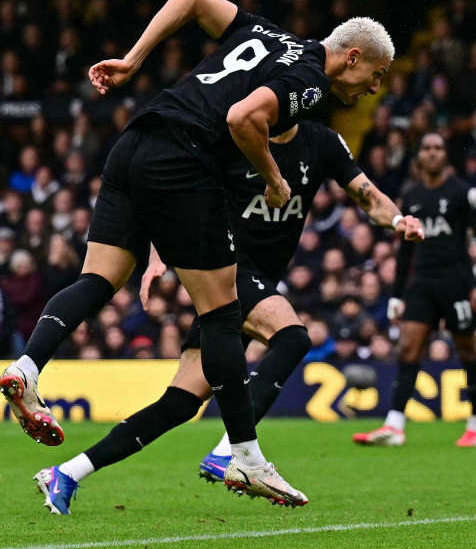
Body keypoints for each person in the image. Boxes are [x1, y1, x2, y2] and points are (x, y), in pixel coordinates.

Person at [0, 0, 393, 506]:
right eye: (376, 76)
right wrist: (273, 178)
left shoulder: (267, 32)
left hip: (135, 142)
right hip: (184, 159)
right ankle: (245, 458)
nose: (373, 89)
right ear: (353, 56)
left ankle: (27, 369)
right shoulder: (310, 79)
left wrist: (134, 61)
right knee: (223, 316)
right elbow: (241, 118)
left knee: (96, 281)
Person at [33, 121, 422, 514]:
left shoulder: (321, 142)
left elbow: (368, 195)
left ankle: (66, 473)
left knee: (179, 404)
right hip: (226, 268)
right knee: (293, 337)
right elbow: (174, 199)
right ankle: (230, 453)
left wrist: (397, 220)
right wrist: (156, 257)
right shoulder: (235, 138)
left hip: (246, 287)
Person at [353, 132, 476, 448]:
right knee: (407, 349)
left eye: (438, 148)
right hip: (422, 283)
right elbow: (404, 250)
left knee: (468, 350)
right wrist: (396, 294)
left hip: (457, 283)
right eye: (426, 148)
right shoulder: (412, 194)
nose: (432, 153)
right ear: (419, 156)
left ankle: (475, 423)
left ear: (445, 155)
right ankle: (395, 426)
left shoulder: (462, 193)